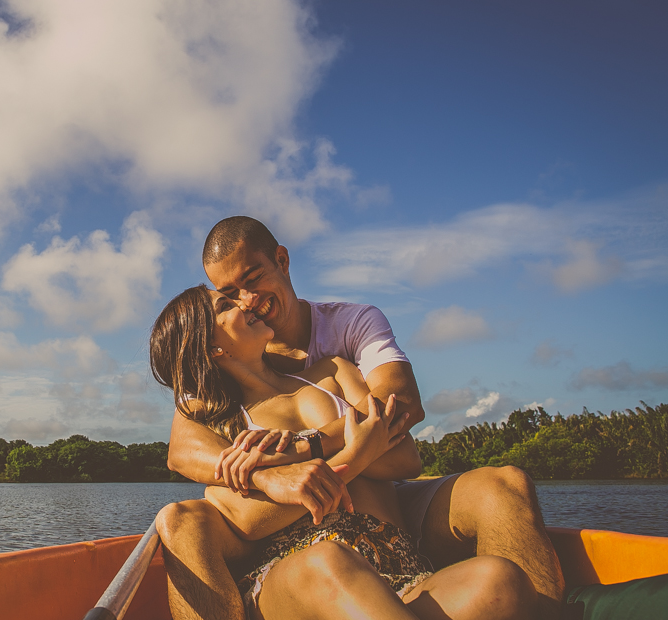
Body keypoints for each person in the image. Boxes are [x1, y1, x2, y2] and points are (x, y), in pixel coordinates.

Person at [157, 216, 564, 620]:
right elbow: (202, 473)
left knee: (500, 577)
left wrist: (306, 451)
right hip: (310, 563)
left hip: (391, 548)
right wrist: (328, 459)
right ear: (212, 351)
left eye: (251, 279)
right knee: (327, 562)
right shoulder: (223, 415)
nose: (246, 300)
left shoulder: (335, 360)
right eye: (228, 297)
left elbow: (401, 422)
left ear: (281, 260)